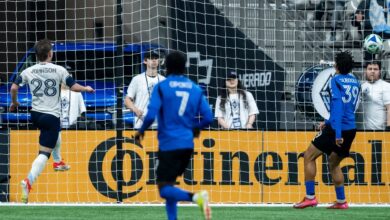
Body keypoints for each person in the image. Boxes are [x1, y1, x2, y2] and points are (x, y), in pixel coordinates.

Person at [10, 39, 94, 203]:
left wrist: (14, 102)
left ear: (36, 55)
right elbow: (73, 86)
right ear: (50, 54)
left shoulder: (28, 70)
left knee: (56, 132)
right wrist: (86, 88)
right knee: (43, 154)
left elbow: (13, 87)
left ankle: (58, 161)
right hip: (51, 115)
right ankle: (28, 181)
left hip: (36, 115)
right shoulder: (59, 70)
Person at [133, 51, 213, 220]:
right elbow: (208, 117)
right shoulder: (195, 88)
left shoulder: (162, 86)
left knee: (163, 188)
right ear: (184, 67)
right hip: (187, 145)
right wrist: (196, 128)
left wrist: (141, 131)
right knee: (169, 185)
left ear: (166, 66)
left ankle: (196, 197)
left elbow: (151, 113)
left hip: (169, 144)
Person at [293, 51, 360, 209]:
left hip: (337, 129)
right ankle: (342, 201)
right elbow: (347, 107)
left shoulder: (336, 80)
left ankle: (310, 197)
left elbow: (337, 107)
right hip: (350, 128)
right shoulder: (355, 81)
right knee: (333, 163)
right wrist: (327, 121)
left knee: (308, 156)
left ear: (336, 65)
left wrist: (336, 132)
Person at [124, 50, 166, 129]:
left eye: (156, 58)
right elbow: (127, 100)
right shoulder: (137, 79)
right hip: (141, 123)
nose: (154, 60)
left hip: (160, 124)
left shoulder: (164, 80)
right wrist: (136, 110)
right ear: (145, 61)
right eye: (151, 58)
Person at [360, 60, 390, 130]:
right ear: (365, 71)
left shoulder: (386, 86)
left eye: (375, 69)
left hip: (379, 132)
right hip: (361, 131)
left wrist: (389, 128)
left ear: (379, 71)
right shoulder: (361, 86)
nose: (372, 71)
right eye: (370, 69)